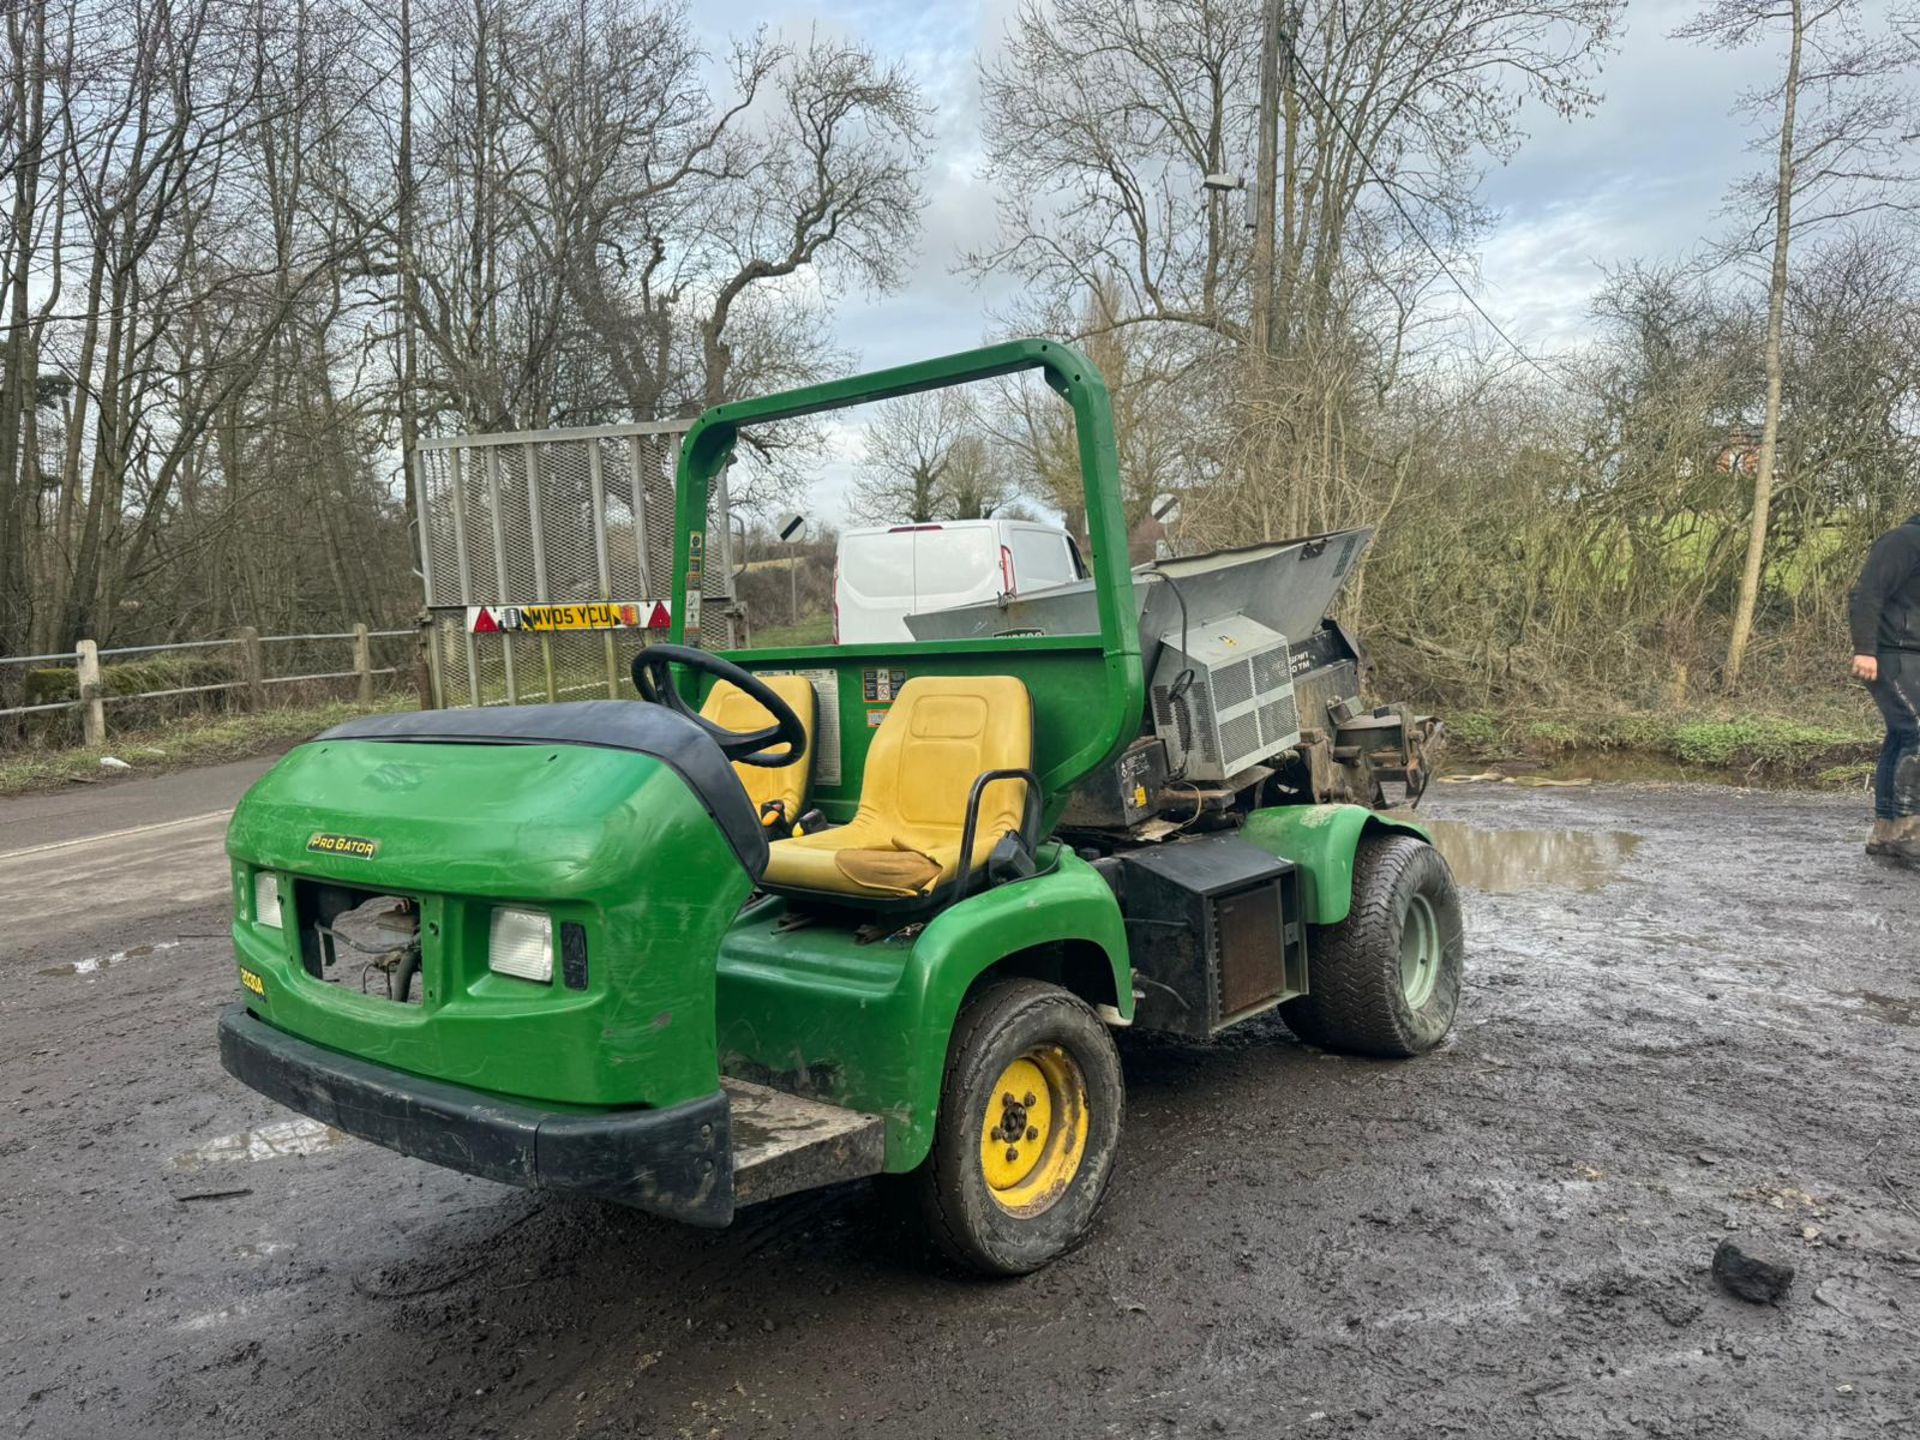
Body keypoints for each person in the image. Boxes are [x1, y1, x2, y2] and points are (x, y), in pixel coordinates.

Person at [1850, 512, 1920, 864]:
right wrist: (1865, 648)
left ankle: (1886, 830)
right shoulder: (1903, 541)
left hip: (1913, 654)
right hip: (1892, 653)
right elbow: (1868, 594)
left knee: (1901, 735)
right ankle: (1909, 831)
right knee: (1916, 732)